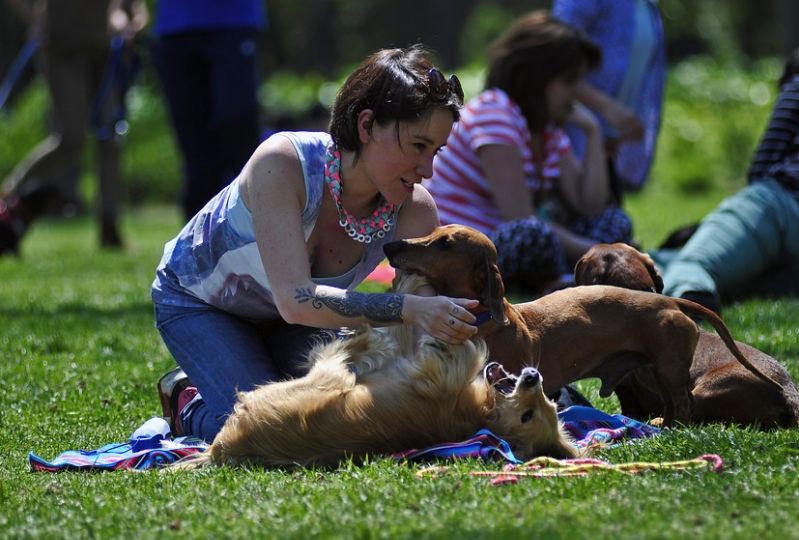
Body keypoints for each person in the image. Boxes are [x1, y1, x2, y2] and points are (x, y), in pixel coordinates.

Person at [152, 47, 478, 443]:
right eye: (418, 146)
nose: (427, 171)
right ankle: (188, 404)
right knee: (261, 431)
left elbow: (419, 333)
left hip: (295, 320)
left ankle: (250, 373)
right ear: (367, 125)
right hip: (201, 304)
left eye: (436, 152)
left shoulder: (415, 211)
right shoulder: (282, 163)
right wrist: (410, 309)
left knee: (352, 414)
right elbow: (296, 299)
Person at [652, 31, 799, 313]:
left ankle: (687, 302)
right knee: (731, 279)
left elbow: (762, 170)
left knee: (696, 267)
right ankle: (636, 265)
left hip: (792, 206)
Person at [427, 11, 631, 294]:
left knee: (614, 222)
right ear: (536, 77)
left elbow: (590, 206)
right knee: (532, 234)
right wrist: (601, 253)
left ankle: (571, 279)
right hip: (460, 250)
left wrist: (593, 131)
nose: (577, 94)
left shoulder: (546, 128)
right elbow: (520, 218)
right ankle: (573, 279)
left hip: (505, 242)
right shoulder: (495, 114)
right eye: (570, 82)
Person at [0, 0, 148, 253]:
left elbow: (132, 5)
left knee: (110, 137)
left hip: (106, 47)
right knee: (70, 139)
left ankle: (109, 227)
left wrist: (134, 16)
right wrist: (34, 16)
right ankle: (8, 198)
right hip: (62, 46)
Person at [151, 0, 265, 221]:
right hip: (175, 25)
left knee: (237, 126)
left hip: (233, 22)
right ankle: (199, 236)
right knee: (192, 139)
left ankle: (254, 219)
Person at [552, 0, 666, 196]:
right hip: (571, 134)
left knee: (607, 218)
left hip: (610, 143)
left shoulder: (647, 6)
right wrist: (606, 107)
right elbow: (550, 55)